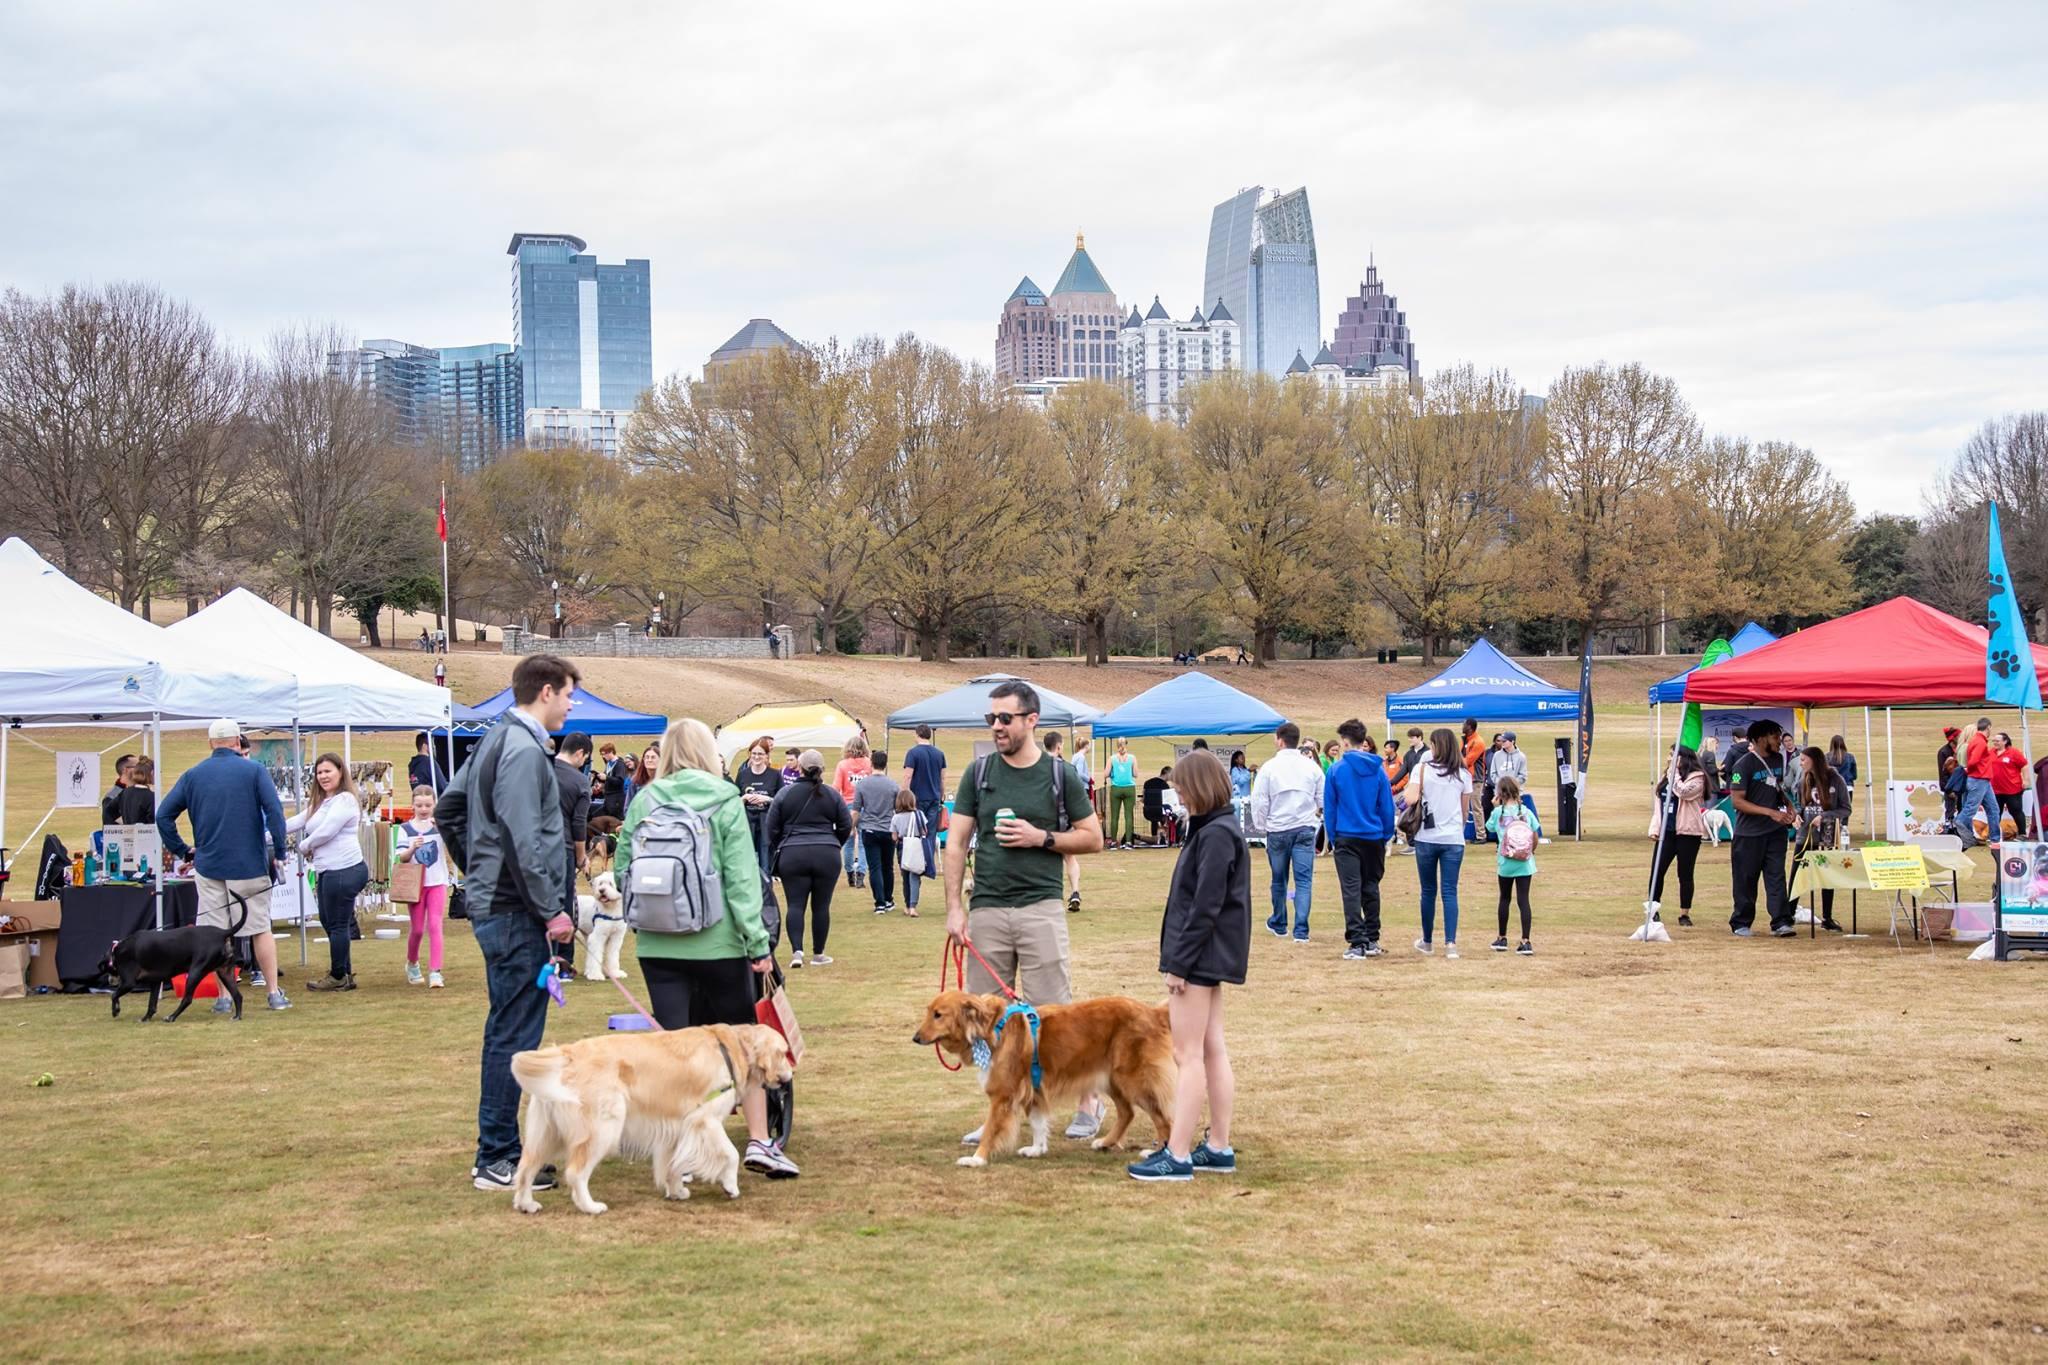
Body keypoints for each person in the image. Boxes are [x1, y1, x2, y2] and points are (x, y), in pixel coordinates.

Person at [615, 717, 797, 1180]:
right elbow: (741, 881)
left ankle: (684, 1149)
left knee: (677, 1053)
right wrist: (758, 944)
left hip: (658, 946)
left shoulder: (645, 801)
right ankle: (758, 1140)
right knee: (742, 1042)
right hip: (720, 944)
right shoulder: (724, 800)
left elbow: (623, 871)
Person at [944, 679, 1105, 1143]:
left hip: (1041, 907)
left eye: (1005, 719)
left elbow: (1093, 837)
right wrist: (955, 908)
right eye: (990, 718)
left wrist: (1043, 838)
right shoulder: (978, 774)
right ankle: (997, 1109)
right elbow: (955, 842)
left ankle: (1087, 1102)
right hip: (988, 911)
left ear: (1032, 720)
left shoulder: (1060, 776)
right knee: (981, 1021)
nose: (996, 726)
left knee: (1055, 1019)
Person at [442, 654, 578, 1192]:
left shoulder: (495, 741)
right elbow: (524, 839)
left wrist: (478, 867)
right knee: (514, 1035)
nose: (571, 705)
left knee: (511, 1028)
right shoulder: (520, 748)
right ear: (545, 692)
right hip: (516, 910)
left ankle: (501, 1148)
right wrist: (551, 909)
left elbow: (453, 812)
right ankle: (497, 1155)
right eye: (569, 694)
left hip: (499, 902)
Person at [1127, 750, 1247, 1182]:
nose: (1176, 796)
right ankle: (1218, 1146)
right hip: (1208, 956)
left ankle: (1177, 1154)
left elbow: (1205, 906)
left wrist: (1178, 963)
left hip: (1199, 957)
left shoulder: (1216, 834)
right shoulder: (1216, 829)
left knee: (1188, 1054)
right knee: (1211, 1048)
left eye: (1180, 788)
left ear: (1198, 787)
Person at [155, 719, 292, 1012]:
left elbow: (163, 816)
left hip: (209, 865)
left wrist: (183, 851)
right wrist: (280, 850)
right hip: (249, 864)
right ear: (238, 743)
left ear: (210, 744)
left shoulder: (193, 775)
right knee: (259, 928)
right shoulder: (254, 771)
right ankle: (273, 992)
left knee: (213, 935)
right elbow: (275, 813)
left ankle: (223, 998)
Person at [766, 749, 853, 967]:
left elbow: (771, 827)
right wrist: (834, 843)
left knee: (795, 904)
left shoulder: (785, 794)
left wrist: (783, 845)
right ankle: (818, 953)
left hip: (793, 853)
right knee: (821, 906)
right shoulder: (832, 794)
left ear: (799, 768)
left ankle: (797, 952)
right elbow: (845, 825)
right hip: (827, 853)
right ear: (822, 769)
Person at [291, 753, 370, 992]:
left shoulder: (345, 800)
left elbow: (327, 831)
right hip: (328, 870)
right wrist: (265, 833)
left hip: (344, 869)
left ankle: (338, 975)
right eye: (319, 772)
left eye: (328, 771)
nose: (323, 776)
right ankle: (344, 971)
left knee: (336, 924)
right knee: (329, 921)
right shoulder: (321, 802)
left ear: (340, 771)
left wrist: (304, 846)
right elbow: (296, 822)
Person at [1323, 718, 1394, 959]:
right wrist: (1385, 834)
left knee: (1351, 889)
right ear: (1364, 742)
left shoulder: (1336, 770)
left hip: (1346, 835)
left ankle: (1357, 941)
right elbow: (1387, 806)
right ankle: (1372, 938)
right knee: (1370, 887)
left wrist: (1333, 837)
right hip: (1373, 836)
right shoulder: (1379, 771)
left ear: (1344, 743)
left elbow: (1329, 808)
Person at [1249, 722, 1323, 940]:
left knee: (1278, 878)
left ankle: (1280, 922)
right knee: (1303, 880)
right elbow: (1322, 797)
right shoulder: (1311, 767)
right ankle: (1301, 929)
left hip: (1278, 828)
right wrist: (1316, 816)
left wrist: (1262, 825)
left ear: (1280, 740)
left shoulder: (1269, 767)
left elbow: (1260, 800)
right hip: (1304, 827)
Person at [1406, 728, 1473, 958]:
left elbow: (1410, 798)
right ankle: (1451, 943)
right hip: (1453, 837)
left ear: (1435, 747)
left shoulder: (1421, 769)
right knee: (1449, 891)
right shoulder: (1463, 774)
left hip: (1427, 836)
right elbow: (1465, 811)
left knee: (1428, 891)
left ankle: (1427, 940)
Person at [1727, 716, 1797, 938]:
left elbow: (1778, 788)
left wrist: (1789, 805)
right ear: (1759, 739)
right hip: (1749, 834)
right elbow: (1737, 801)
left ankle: (1781, 922)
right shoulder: (1743, 765)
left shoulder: (1778, 759)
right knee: (1746, 879)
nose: (1779, 741)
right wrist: (1770, 812)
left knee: (1776, 876)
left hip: (1775, 832)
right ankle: (1741, 922)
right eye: (1774, 737)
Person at [1647, 746, 1709, 927]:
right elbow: (1659, 804)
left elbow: (1683, 792)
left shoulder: (1697, 777)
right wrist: (1655, 827)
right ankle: (1653, 909)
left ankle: (1684, 913)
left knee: (1685, 873)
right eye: (1670, 754)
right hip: (1667, 832)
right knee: (1657, 871)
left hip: (1687, 833)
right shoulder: (1666, 777)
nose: (1669, 758)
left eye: (1673, 755)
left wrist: (1674, 775)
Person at [1792, 745, 1851, 933]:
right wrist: (1797, 815)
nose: (1801, 764)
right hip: (1805, 834)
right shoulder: (1805, 779)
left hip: (1826, 836)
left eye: (1803, 760)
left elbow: (1845, 809)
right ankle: (1789, 913)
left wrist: (1826, 816)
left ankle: (1827, 917)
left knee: (1826, 876)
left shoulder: (1835, 780)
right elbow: (1801, 804)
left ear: (1814, 760)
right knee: (1796, 874)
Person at [396, 784, 449, 987]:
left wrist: (444, 826)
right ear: (413, 806)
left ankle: (436, 971)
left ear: (434, 805)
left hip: (437, 882)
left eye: (428, 804)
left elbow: (455, 845)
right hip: (415, 884)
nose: (424, 809)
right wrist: (411, 848)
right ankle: (412, 962)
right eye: (419, 805)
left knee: (435, 925)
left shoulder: (439, 827)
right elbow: (401, 858)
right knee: (417, 929)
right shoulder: (405, 829)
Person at [551, 731, 593, 977]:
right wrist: (581, 856)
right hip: (562, 848)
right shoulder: (579, 781)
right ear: (580, 753)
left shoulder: (539, 770)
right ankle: (563, 963)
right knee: (564, 903)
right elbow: (579, 824)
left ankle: (543, 959)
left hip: (532, 847)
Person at [1486, 775, 1541, 953]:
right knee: (1524, 900)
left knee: (1505, 898)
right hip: (1525, 862)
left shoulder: (1498, 813)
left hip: (1506, 862)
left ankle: (1502, 938)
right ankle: (1526, 940)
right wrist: (1530, 852)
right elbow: (1535, 835)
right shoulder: (1525, 811)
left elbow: (1490, 828)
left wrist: (1495, 807)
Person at [899, 724, 949, 893]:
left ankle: (917, 863)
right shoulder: (939, 753)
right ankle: (929, 863)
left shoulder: (913, 753)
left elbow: (908, 775)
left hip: (917, 799)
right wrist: (942, 795)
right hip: (934, 798)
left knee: (915, 833)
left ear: (918, 734)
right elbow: (943, 778)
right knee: (931, 832)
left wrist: (903, 795)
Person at [854, 750, 902, 915]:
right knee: (887, 866)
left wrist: (851, 827)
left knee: (874, 867)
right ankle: (888, 899)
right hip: (888, 829)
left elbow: (856, 810)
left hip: (869, 829)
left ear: (871, 763)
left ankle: (879, 902)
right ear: (885, 764)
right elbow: (898, 809)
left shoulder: (862, 785)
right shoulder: (893, 785)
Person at [1042, 732, 1083, 911]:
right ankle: (1075, 891)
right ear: (1059, 746)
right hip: (1064, 820)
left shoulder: (1036, 768)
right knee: (1070, 858)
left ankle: (1048, 896)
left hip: (1043, 820)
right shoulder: (1067, 769)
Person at [735, 737, 784, 873]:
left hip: (766, 824)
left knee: (765, 865)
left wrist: (767, 799)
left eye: (760, 754)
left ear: (766, 755)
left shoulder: (775, 775)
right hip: (747, 824)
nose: (757, 757)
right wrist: (744, 798)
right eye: (754, 753)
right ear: (750, 754)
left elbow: (782, 800)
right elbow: (733, 803)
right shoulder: (742, 775)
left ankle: (766, 891)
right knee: (746, 864)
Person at [833, 736, 874, 888]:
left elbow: (836, 788)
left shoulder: (842, 765)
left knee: (848, 842)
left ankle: (850, 873)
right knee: (864, 842)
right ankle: (861, 874)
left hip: (847, 805)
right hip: (866, 805)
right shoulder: (869, 764)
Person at [1960, 717, 2001, 849]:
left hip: (1982, 780)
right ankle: (1959, 824)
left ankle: (1995, 839)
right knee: (1971, 808)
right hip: (1979, 779)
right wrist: (1971, 770)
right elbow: (1973, 761)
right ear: (1988, 727)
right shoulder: (1980, 742)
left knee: (1993, 809)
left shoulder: (1976, 741)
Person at [890, 788, 927, 917]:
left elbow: (894, 837)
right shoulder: (919, 815)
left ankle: (906, 905)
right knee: (915, 876)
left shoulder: (895, 817)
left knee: (905, 876)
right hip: (916, 846)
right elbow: (924, 831)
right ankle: (913, 906)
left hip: (902, 847)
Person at [1990, 732, 2030, 838]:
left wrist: (2026, 780)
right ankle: (1994, 835)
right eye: (1994, 741)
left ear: (2005, 741)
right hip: (1995, 789)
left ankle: (2022, 833)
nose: (1995, 743)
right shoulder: (1991, 752)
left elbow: (2024, 765)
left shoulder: (2014, 752)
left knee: (2016, 811)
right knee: (1995, 812)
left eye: (1997, 741)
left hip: (2012, 789)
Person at [1106, 738, 1139, 850]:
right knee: (1128, 815)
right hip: (1129, 788)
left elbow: (1106, 773)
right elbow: (1135, 774)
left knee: (1114, 816)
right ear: (1126, 744)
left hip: (1116, 788)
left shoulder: (1112, 758)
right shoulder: (1132, 758)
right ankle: (1128, 842)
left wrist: (1112, 773)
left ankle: (1114, 842)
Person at [113, 756, 156, 825]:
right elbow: (152, 821)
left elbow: (110, 811)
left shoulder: (125, 792)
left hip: (127, 833)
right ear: (152, 773)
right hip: (145, 834)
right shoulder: (151, 796)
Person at [101, 753, 136, 826]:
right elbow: (109, 823)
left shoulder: (143, 791)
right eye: (138, 766)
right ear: (125, 770)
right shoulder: (112, 796)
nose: (142, 769)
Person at [1142, 766, 1173, 846]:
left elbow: (1143, 798)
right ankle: (1166, 836)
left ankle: (1154, 837)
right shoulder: (1165, 785)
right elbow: (1168, 801)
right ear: (1167, 773)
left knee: (1154, 820)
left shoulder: (1147, 783)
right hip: (1161, 812)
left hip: (1148, 811)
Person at [1698, 736, 1724, 802]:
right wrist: (1719, 768)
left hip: (1701, 786)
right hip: (1711, 786)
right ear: (1713, 744)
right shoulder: (1710, 754)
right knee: (1711, 810)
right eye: (1717, 744)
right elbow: (1711, 771)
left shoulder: (1700, 754)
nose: (1718, 746)